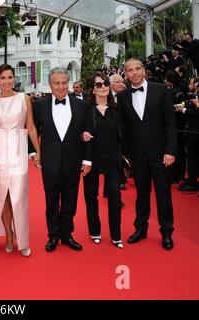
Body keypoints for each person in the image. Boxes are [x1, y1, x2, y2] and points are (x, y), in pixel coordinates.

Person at [117, 58, 177, 250]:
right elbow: (123, 128)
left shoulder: (160, 90)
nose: (133, 73)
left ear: (144, 71)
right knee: (141, 194)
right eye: (129, 70)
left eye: (137, 69)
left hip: (161, 154)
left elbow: (170, 123)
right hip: (137, 155)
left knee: (163, 195)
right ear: (125, 74)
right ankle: (140, 229)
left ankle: (166, 232)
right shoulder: (124, 96)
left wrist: (170, 151)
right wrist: (126, 156)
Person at [0, 64, 41, 257]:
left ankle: (23, 241)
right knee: (2, 196)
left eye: (9, 77)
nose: (6, 81)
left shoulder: (24, 99)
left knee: (19, 196)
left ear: (14, 79)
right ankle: (8, 235)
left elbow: (31, 127)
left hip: (18, 150)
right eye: (2, 78)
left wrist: (38, 152)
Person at [32, 67, 92, 252]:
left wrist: (87, 160)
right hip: (49, 161)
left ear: (69, 82)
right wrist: (33, 154)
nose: (61, 86)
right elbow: (33, 131)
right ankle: (53, 235)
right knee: (51, 200)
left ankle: (67, 234)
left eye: (64, 82)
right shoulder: (39, 105)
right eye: (56, 83)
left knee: (70, 200)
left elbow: (87, 133)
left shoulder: (81, 105)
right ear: (50, 84)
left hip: (73, 160)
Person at [82, 73, 123, 248]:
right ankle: (95, 231)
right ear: (93, 90)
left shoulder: (117, 110)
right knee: (91, 197)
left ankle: (116, 235)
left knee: (114, 197)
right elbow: (78, 131)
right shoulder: (86, 111)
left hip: (112, 159)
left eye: (105, 83)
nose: (103, 87)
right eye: (98, 85)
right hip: (92, 160)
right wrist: (81, 135)